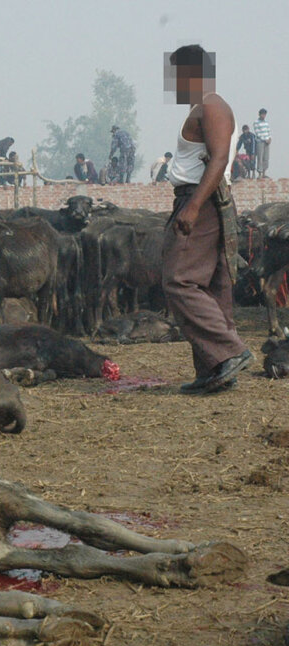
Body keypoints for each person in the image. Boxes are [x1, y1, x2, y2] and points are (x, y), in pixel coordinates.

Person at [162, 44, 251, 394]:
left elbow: (217, 160)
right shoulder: (204, 107)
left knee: (178, 280)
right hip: (205, 200)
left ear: (192, 72)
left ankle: (229, 353)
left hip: (201, 200)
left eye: (177, 75)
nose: (174, 83)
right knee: (214, 285)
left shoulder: (212, 106)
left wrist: (193, 207)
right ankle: (215, 369)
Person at [254, 108, 271, 178]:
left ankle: (264, 172)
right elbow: (257, 133)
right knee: (260, 157)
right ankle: (260, 173)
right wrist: (264, 139)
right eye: (262, 114)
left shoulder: (266, 123)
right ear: (259, 114)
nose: (263, 115)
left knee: (266, 157)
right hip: (260, 142)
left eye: (264, 114)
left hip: (267, 142)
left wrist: (270, 138)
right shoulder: (256, 122)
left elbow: (268, 131)